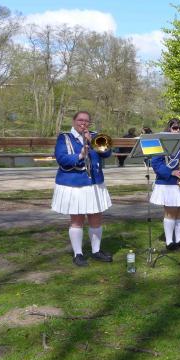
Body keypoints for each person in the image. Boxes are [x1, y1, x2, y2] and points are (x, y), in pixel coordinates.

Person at [51, 111, 114, 266]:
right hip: (74, 184)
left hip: (94, 183)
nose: (83, 123)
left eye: (86, 121)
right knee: (77, 220)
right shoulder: (64, 138)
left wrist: (93, 141)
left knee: (96, 218)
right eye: (80, 120)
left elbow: (107, 153)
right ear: (74, 121)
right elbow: (61, 158)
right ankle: (78, 254)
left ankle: (96, 251)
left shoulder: (95, 136)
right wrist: (80, 155)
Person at [150, 118, 180, 251]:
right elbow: (155, 163)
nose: (177, 130)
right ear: (169, 129)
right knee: (170, 212)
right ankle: (169, 242)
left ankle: (178, 240)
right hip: (168, 183)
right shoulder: (161, 142)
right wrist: (171, 172)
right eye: (174, 128)